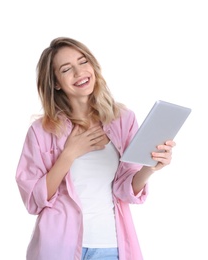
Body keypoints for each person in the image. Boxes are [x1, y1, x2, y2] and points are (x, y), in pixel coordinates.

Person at [15, 37, 175, 260]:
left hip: (111, 246)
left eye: (83, 62)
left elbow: (124, 188)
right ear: (56, 82)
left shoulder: (123, 120)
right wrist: (69, 154)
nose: (79, 72)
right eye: (66, 69)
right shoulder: (41, 131)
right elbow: (33, 200)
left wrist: (151, 168)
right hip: (58, 248)